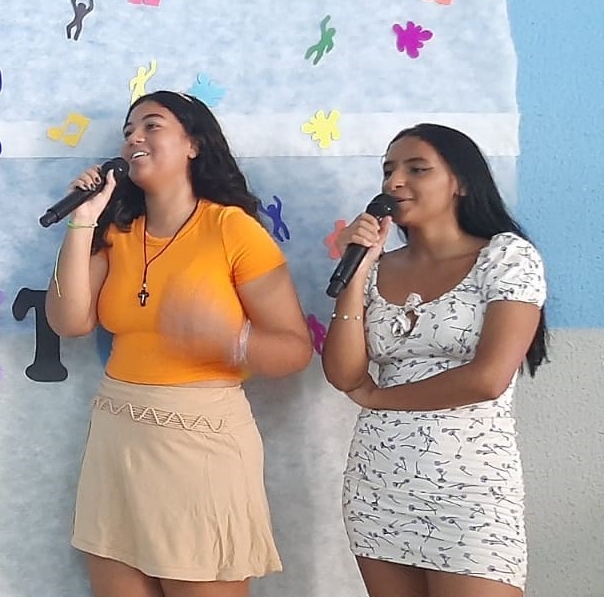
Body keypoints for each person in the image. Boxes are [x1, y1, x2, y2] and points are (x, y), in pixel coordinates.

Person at [46, 90, 313, 597]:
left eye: (152, 126)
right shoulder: (117, 232)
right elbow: (69, 321)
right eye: (128, 132)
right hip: (117, 439)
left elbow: (295, 350)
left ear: (194, 144)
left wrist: (228, 339)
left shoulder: (233, 228)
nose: (134, 138)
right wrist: (84, 220)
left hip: (202, 444)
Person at [322, 123, 548, 597]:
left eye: (417, 169)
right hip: (379, 484)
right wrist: (358, 273)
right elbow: (344, 374)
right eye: (388, 171)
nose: (394, 182)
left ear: (460, 182)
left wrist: (379, 398)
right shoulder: (378, 267)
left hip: (471, 489)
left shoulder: (506, 257)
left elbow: (487, 379)